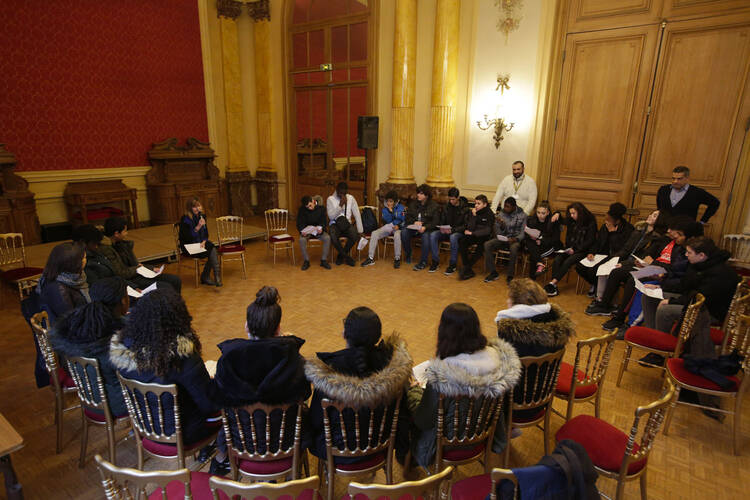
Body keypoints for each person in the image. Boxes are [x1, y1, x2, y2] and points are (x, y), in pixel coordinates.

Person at [209, 286, 311, 475]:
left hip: (242, 441)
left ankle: (222, 461)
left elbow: (218, 397)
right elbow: (305, 394)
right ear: (278, 329)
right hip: (286, 440)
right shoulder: (295, 361)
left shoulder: (228, 361)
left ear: (247, 326)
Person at [407, 303, 521, 468]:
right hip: (484, 430)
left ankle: (410, 461)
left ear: (444, 332)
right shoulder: (498, 360)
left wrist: (414, 390)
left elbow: (424, 420)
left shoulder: (443, 375)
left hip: (446, 441)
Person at [109, 288, 221, 445]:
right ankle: (220, 457)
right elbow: (210, 404)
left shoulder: (123, 350)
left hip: (145, 426)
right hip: (185, 431)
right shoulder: (182, 356)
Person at [305, 307, 412, 463]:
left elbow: (316, 420)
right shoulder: (393, 368)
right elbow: (402, 414)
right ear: (378, 337)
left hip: (337, 451)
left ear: (345, 335)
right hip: (381, 443)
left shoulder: (328, 373)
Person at [641, 237, 740, 361]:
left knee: (665, 310)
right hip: (692, 300)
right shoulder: (698, 264)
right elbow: (684, 285)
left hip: (708, 310)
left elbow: (702, 299)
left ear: (701, 255)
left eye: (689, 252)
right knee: (649, 295)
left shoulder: (719, 273)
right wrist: (660, 285)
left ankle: (661, 352)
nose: (686, 255)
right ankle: (656, 337)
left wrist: (672, 301)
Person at [49, 277, 130, 417]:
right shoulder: (115, 341)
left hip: (88, 395)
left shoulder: (77, 326)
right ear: (124, 301)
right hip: (115, 402)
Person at [496, 279, 574, 421]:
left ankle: (500, 433)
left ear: (520, 305)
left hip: (512, 404)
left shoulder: (510, 332)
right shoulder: (557, 327)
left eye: (510, 299)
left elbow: (501, 372)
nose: (507, 302)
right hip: (542, 397)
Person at [93, 218, 182, 293]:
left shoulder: (121, 244)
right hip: (130, 280)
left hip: (137, 274)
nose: (127, 233)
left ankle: (177, 307)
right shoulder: (107, 250)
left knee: (175, 280)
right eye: (125, 231)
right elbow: (120, 273)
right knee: (165, 286)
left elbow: (135, 264)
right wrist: (137, 269)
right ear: (116, 233)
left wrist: (151, 268)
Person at [574, 203, 634, 298]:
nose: (607, 219)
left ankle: (599, 290)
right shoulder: (605, 226)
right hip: (601, 254)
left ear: (617, 219)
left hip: (615, 256)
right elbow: (598, 242)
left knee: (593, 271)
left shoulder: (628, 229)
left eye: (610, 218)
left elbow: (621, 249)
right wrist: (591, 252)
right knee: (580, 266)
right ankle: (595, 284)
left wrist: (613, 233)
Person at [543, 202, 598, 297]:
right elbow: (562, 220)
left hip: (583, 250)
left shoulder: (590, 222)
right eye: (570, 213)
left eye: (574, 213)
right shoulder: (571, 220)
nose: (572, 216)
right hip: (569, 248)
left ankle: (552, 284)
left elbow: (590, 241)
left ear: (580, 213)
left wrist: (575, 249)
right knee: (557, 260)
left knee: (568, 261)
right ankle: (554, 286)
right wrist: (557, 213)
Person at [38, 242, 91, 324]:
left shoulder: (72, 276)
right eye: (83, 258)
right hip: (68, 330)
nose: (86, 260)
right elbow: (70, 321)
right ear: (72, 263)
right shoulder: (58, 289)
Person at [179, 198, 222, 287]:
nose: (197, 209)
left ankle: (215, 276)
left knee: (212, 247)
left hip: (199, 244)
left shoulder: (202, 216)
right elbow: (187, 238)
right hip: (189, 246)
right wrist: (198, 226)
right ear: (189, 208)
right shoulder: (185, 219)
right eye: (194, 207)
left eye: (198, 206)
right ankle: (207, 276)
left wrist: (203, 241)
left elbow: (206, 234)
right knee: (211, 250)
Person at [483, 197, 526, 284]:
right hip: (503, 238)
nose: (505, 208)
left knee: (514, 248)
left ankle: (510, 275)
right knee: (487, 244)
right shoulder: (501, 214)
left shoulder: (523, 215)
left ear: (514, 207)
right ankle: (493, 272)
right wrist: (502, 225)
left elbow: (523, 233)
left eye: (508, 207)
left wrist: (515, 239)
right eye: (505, 206)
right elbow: (497, 232)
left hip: (515, 240)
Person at [429, 187, 468, 276]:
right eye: (450, 199)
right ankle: (435, 261)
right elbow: (443, 220)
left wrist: (453, 230)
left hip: (458, 232)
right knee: (433, 235)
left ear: (458, 198)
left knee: (453, 237)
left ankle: (452, 264)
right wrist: (442, 227)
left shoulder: (465, 209)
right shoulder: (446, 206)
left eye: (453, 199)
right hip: (446, 230)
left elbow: (465, 225)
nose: (451, 201)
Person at [362, 190, 405, 269]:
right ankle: (370, 258)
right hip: (389, 226)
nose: (388, 203)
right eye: (387, 201)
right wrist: (390, 211)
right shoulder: (385, 209)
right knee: (374, 233)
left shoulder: (401, 208)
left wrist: (399, 226)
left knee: (397, 235)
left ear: (395, 202)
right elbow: (387, 220)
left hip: (398, 227)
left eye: (391, 201)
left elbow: (405, 220)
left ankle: (397, 258)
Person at [401, 184, 440, 271]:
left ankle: (423, 262)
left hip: (426, 228)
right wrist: (414, 222)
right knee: (404, 232)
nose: (418, 195)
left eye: (421, 193)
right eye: (418, 193)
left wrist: (425, 227)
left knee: (426, 237)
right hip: (414, 227)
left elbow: (435, 222)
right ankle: (408, 253)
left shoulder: (434, 206)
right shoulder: (413, 203)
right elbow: (407, 217)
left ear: (426, 195)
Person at [458, 195, 495, 281]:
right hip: (474, 235)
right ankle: (467, 267)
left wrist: (473, 233)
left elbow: (487, 230)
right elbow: (470, 227)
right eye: (475, 203)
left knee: (481, 247)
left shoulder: (490, 214)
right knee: (463, 241)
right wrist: (474, 216)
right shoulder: (474, 212)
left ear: (485, 204)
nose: (476, 205)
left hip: (484, 237)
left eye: (479, 203)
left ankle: (467, 267)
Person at [326, 182, 363, 266]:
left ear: (347, 191)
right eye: (340, 193)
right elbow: (331, 216)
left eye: (344, 193)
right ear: (336, 190)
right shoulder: (330, 199)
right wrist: (340, 205)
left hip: (347, 224)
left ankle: (341, 256)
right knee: (333, 237)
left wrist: (360, 230)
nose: (342, 195)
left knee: (354, 236)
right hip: (335, 224)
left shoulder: (351, 198)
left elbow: (357, 214)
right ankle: (347, 257)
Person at [523, 201, 562, 279]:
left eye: (543, 213)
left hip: (548, 246)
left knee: (533, 255)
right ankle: (540, 264)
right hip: (535, 245)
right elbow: (527, 234)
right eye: (538, 212)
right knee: (530, 243)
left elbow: (555, 239)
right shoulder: (532, 220)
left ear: (548, 213)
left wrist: (541, 240)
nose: (540, 215)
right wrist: (531, 236)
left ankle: (532, 278)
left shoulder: (553, 222)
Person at [296, 195, 331, 270]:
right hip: (307, 231)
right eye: (307, 207)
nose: (309, 208)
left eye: (310, 205)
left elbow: (324, 221)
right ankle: (306, 261)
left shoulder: (321, 208)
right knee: (301, 240)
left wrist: (321, 228)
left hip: (318, 231)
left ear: (313, 201)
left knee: (327, 238)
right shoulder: (302, 209)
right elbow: (299, 222)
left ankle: (323, 260)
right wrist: (302, 231)